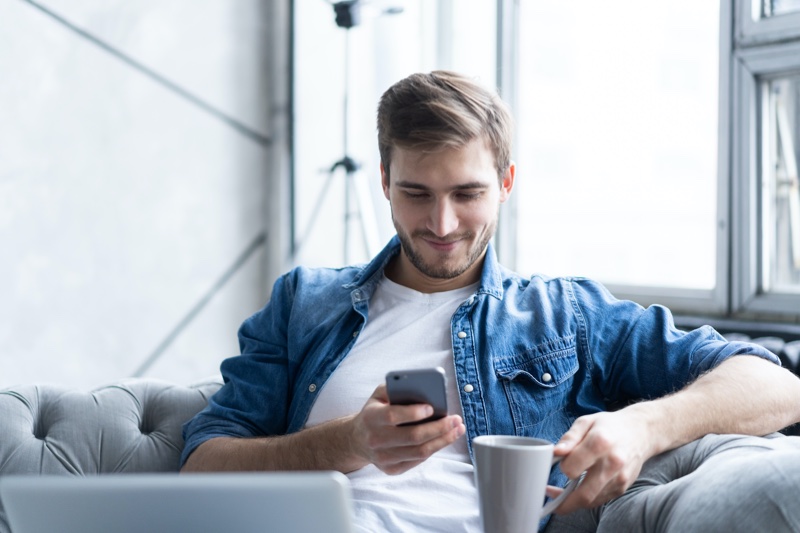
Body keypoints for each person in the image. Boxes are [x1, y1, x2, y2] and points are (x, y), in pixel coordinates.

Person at [181, 70, 800, 532]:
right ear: (383, 183)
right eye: (416, 193)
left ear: (506, 182)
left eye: (467, 193)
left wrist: (644, 423)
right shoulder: (305, 302)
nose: (442, 223)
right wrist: (345, 443)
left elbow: (777, 386)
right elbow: (201, 466)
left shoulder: (564, 315)